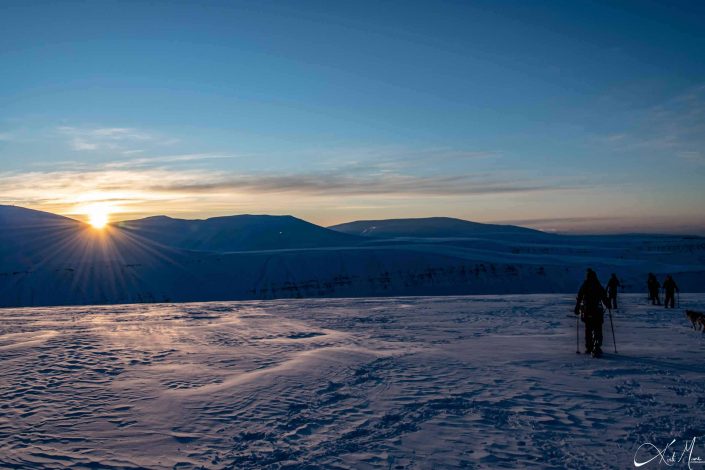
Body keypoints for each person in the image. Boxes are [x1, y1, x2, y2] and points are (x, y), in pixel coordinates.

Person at [575, 269, 611, 357]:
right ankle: (597, 346)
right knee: (597, 328)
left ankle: (589, 347)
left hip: (587, 311)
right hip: (597, 311)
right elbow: (603, 296)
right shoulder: (598, 285)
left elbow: (579, 296)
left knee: (588, 329)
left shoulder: (585, 285)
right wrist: (608, 304)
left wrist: (577, 307)